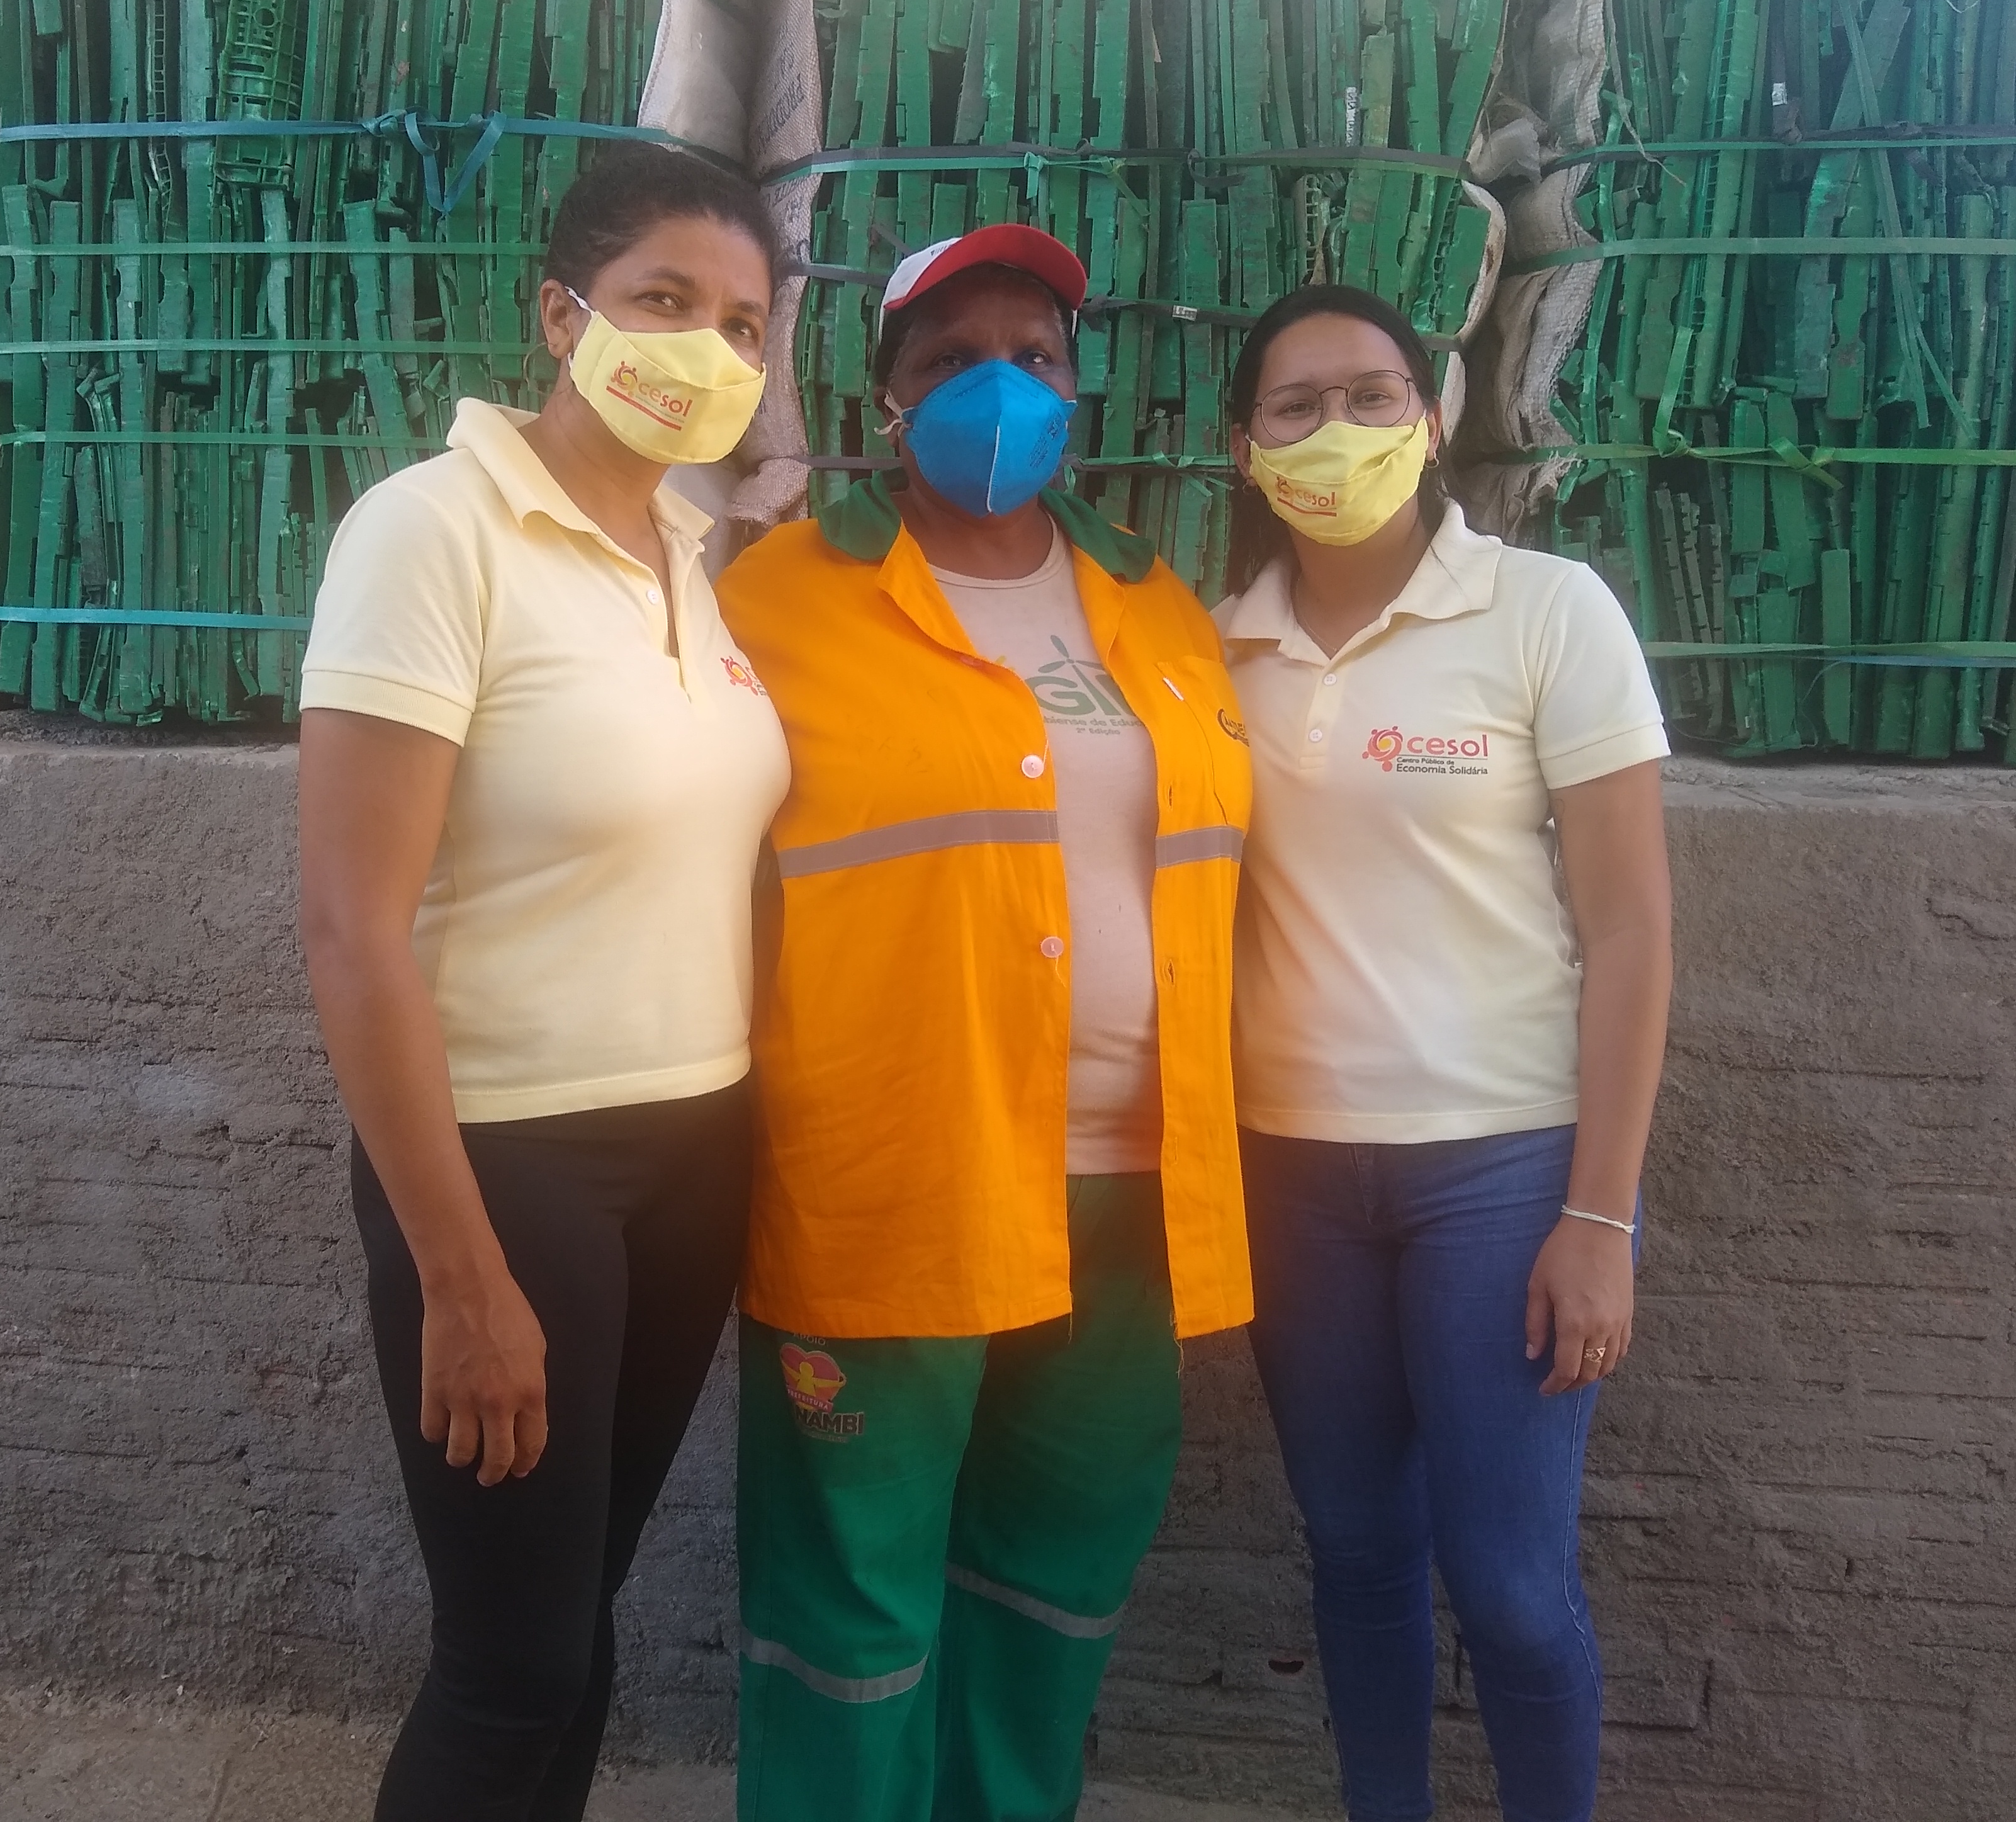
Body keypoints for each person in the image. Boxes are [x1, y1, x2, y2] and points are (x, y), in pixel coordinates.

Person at [714, 224, 1254, 1822]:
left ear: (1076, 390)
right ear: (884, 397)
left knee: (1051, 1586)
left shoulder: (1155, 606)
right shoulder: (777, 600)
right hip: (891, 1178)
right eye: (951, 360)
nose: (1000, 389)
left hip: (1128, 1192)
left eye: (1034, 357)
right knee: (853, 1616)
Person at [295, 145, 791, 1822]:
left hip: (698, 1149)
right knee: (506, 1670)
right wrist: (459, 1273)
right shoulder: (433, 535)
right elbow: (351, 931)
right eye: (666, 301)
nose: (707, 349)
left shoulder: (690, 557)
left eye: (743, 322)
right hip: (511, 1164)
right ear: (563, 315)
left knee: (576, 1630)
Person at [1215, 284, 1674, 1822]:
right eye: (1294, 406)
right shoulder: (1209, 651)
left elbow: (1629, 930)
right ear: (1242, 447)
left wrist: (1598, 1216)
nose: (1335, 429)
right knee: (1353, 1555)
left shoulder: (1546, 612)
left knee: (1511, 1590)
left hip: (1504, 1173)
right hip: (1289, 1176)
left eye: (1370, 396)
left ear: (1429, 420)